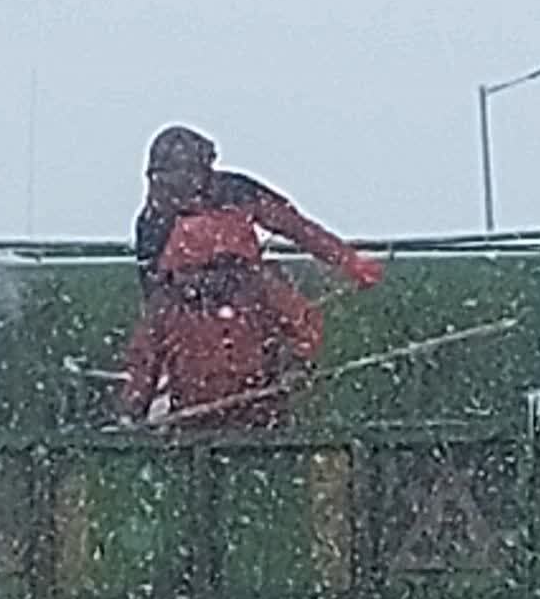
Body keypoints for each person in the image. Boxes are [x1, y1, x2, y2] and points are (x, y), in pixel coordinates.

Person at [118, 126, 382, 425]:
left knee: (288, 317)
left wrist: (348, 261)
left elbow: (296, 228)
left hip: (252, 384)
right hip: (194, 382)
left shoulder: (238, 197)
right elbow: (150, 313)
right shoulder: (156, 229)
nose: (170, 191)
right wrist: (136, 403)